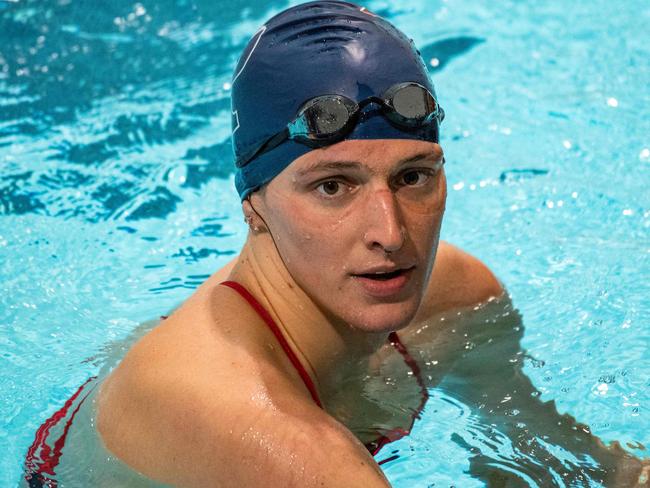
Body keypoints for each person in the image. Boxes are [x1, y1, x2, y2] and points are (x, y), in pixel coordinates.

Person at [24, 1, 649, 487]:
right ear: (254, 205)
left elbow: (557, 463)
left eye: (413, 176)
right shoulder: (279, 442)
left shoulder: (458, 300)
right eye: (332, 186)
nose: (391, 232)